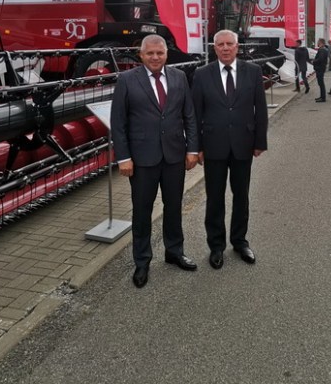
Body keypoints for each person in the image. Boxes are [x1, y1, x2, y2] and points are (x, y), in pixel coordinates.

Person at [110, 34, 200, 288]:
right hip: (141, 160)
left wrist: (192, 149)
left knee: (173, 206)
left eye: (159, 53)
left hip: (174, 156)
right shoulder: (127, 80)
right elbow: (118, 122)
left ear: (166, 55)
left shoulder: (179, 77)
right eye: (150, 53)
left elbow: (189, 116)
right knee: (142, 211)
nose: (155, 57)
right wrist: (124, 157)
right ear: (141, 55)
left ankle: (174, 251)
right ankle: (142, 261)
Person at [192, 29, 268, 269]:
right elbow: (195, 113)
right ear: (214, 48)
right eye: (220, 45)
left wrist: (260, 141)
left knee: (241, 196)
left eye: (229, 44)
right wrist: (196, 147)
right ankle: (216, 246)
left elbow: (260, 108)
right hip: (213, 146)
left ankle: (239, 241)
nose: (225, 48)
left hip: (243, 145)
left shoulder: (253, 71)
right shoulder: (202, 74)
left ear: (237, 47)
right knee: (214, 198)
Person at [312, 38, 329, 102]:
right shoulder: (324, 49)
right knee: (321, 83)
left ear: (321, 42)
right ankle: (322, 96)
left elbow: (320, 59)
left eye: (318, 42)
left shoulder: (322, 50)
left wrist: (314, 61)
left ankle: (323, 98)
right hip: (321, 68)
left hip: (320, 68)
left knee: (321, 83)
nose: (317, 43)